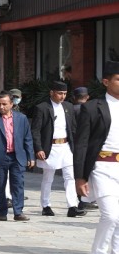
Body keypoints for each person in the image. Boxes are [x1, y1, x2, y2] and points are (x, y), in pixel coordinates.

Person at [74, 60, 119, 254]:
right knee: (110, 215)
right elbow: (81, 143)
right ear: (106, 82)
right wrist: (80, 176)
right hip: (102, 166)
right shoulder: (92, 107)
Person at [31, 81, 85, 218]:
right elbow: (36, 130)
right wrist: (38, 148)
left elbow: (73, 128)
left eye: (65, 94)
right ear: (52, 93)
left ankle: (72, 206)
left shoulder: (68, 107)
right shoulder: (42, 108)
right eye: (60, 93)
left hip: (66, 146)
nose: (62, 96)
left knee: (70, 177)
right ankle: (46, 205)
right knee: (48, 178)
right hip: (50, 147)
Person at [0, 91, 35, 222]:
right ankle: (2, 212)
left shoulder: (21, 118)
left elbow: (27, 138)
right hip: (0, 156)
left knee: (17, 184)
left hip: (17, 156)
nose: (1, 107)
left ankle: (18, 212)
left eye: (4, 104)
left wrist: (31, 157)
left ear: (11, 104)